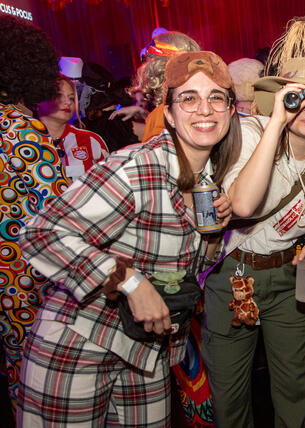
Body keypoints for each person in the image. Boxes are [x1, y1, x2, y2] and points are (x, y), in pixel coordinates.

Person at [17, 51, 238, 426]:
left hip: (148, 352)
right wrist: (131, 281)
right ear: (167, 112)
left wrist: (215, 232)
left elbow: (187, 268)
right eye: (189, 97)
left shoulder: (209, 180)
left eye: (216, 97)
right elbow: (42, 233)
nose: (205, 109)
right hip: (80, 342)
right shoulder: (137, 167)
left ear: (231, 111)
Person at [201, 57, 305, 428]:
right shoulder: (245, 135)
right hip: (233, 275)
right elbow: (240, 200)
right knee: (229, 393)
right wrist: (276, 122)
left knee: (296, 389)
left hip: (293, 279)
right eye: (296, 98)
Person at [0, 15, 66, 417]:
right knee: (48, 377)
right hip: (33, 276)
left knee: (18, 373)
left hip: (7, 276)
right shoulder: (24, 131)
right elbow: (57, 212)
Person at [36, 75, 109, 183]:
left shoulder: (90, 140)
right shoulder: (22, 140)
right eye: (58, 95)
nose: (68, 102)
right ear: (36, 101)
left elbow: (108, 185)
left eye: (71, 98)